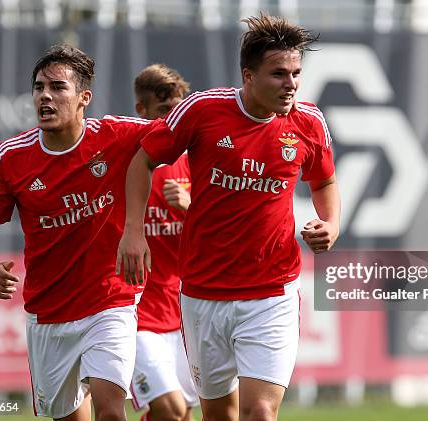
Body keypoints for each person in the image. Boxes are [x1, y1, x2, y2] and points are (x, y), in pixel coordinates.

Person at [117, 14, 340, 421]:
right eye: (278, 74)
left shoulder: (308, 122)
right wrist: (135, 232)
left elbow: (324, 181)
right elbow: (142, 159)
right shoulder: (202, 111)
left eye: (295, 73)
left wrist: (331, 224)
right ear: (249, 76)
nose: (290, 83)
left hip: (272, 292)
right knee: (218, 414)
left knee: (259, 413)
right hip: (204, 293)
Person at [0, 44, 159, 421]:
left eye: (58, 87)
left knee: (110, 412)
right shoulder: (11, 156)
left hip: (111, 301)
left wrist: (137, 227)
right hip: (49, 313)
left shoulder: (117, 135)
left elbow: (179, 134)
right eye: (39, 87)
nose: (45, 96)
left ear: (84, 97)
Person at [130, 64, 199, 421]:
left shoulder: (195, 164)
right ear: (141, 111)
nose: (174, 120)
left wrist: (190, 209)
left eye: (179, 109)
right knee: (171, 409)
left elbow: (218, 238)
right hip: (136, 314)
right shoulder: (128, 164)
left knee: (181, 414)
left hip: (185, 314)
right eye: (164, 112)